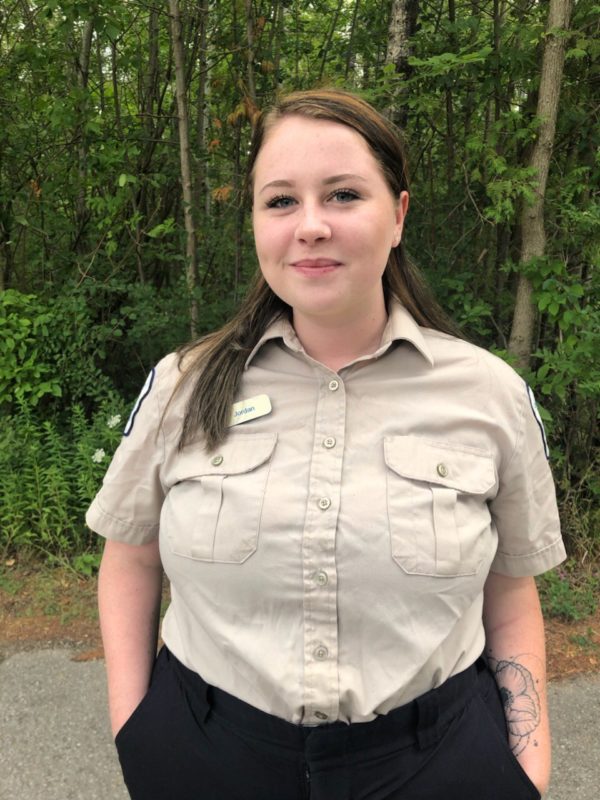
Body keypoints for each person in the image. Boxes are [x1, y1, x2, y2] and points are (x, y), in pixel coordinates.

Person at [87, 88, 566, 800]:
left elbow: (510, 590)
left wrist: (528, 768)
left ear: (398, 215)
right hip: (207, 758)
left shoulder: (488, 396)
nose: (310, 226)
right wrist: (137, 735)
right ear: (254, 222)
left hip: (434, 764)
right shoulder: (182, 387)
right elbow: (130, 561)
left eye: (343, 195)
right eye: (280, 201)